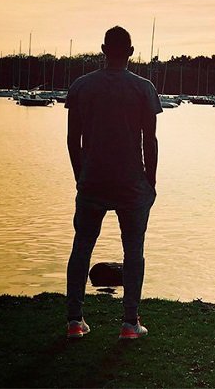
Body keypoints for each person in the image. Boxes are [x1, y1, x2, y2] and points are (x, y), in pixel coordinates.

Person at [65, 26, 162, 339]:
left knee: (82, 247)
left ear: (103, 50)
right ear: (131, 52)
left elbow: (73, 139)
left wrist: (80, 175)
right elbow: (150, 140)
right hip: (131, 183)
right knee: (133, 251)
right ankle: (129, 323)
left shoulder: (81, 86)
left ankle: (74, 321)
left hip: (92, 180)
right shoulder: (143, 88)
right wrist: (151, 180)